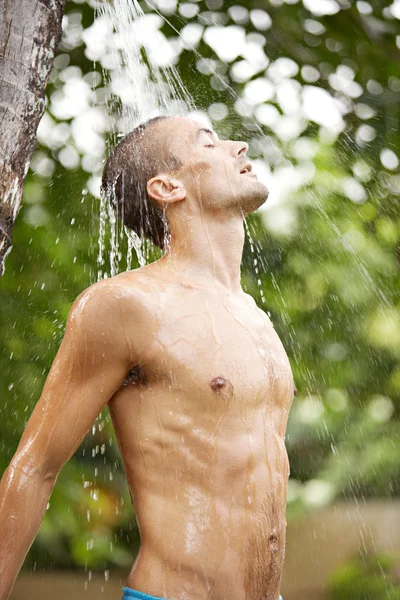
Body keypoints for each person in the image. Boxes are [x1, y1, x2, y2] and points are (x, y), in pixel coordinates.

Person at [0, 115, 295, 600]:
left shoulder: (253, 317)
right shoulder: (125, 305)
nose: (239, 146)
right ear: (167, 186)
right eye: (210, 143)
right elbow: (35, 469)